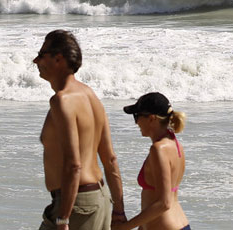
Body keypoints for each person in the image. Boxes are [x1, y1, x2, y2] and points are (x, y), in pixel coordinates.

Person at [34, 30, 125, 230]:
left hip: (76, 204)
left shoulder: (61, 100)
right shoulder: (90, 95)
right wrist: (119, 210)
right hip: (99, 199)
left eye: (41, 55)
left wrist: (63, 218)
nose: (35, 60)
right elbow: (110, 159)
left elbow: (74, 164)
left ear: (59, 59)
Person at [113, 92, 190, 230]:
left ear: (151, 118)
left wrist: (124, 227)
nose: (136, 122)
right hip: (180, 225)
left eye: (137, 116)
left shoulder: (158, 150)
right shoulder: (175, 145)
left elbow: (164, 203)